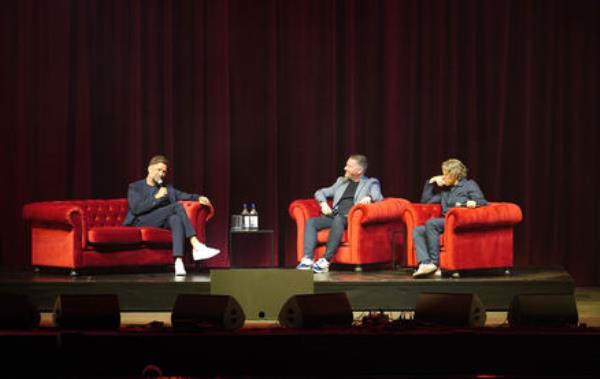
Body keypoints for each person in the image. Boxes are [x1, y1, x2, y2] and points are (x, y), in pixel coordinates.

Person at [123, 155, 220, 276]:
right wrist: (156, 197)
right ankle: (195, 244)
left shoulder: (166, 188)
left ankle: (178, 261)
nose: (162, 174)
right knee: (176, 207)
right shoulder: (135, 187)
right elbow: (137, 209)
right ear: (149, 169)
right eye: (159, 170)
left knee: (175, 219)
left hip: (159, 222)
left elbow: (183, 195)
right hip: (141, 222)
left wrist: (198, 197)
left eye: (164, 171)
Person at [296, 154, 383, 273]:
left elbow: (378, 197)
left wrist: (369, 196)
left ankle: (326, 260)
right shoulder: (341, 182)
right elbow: (320, 192)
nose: (345, 168)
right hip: (335, 215)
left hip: (350, 218)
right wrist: (323, 203)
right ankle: (308, 259)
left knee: (339, 219)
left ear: (359, 170)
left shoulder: (371, 183)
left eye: (349, 166)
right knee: (312, 222)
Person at [412, 158, 487, 278]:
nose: (443, 176)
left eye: (445, 174)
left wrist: (472, 203)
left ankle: (434, 264)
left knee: (431, 224)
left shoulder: (468, 185)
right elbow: (425, 202)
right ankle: (425, 263)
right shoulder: (445, 192)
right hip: (446, 222)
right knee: (418, 230)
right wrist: (431, 182)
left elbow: (482, 202)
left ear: (453, 174)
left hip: (460, 221)